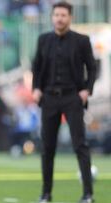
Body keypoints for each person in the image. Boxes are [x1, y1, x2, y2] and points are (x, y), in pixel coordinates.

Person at [32, 2, 96, 203]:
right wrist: (36, 88)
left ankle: (88, 194)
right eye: (56, 15)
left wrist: (87, 90)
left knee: (80, 145)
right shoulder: (43, 40)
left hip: (73, 97)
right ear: (52, 17)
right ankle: (46, 194)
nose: (59, 18)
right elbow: (37, 67)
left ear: (70, 17)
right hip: (49, 98)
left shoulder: (82, 40)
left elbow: (92, 68)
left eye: (63, 15)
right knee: (47, 148)